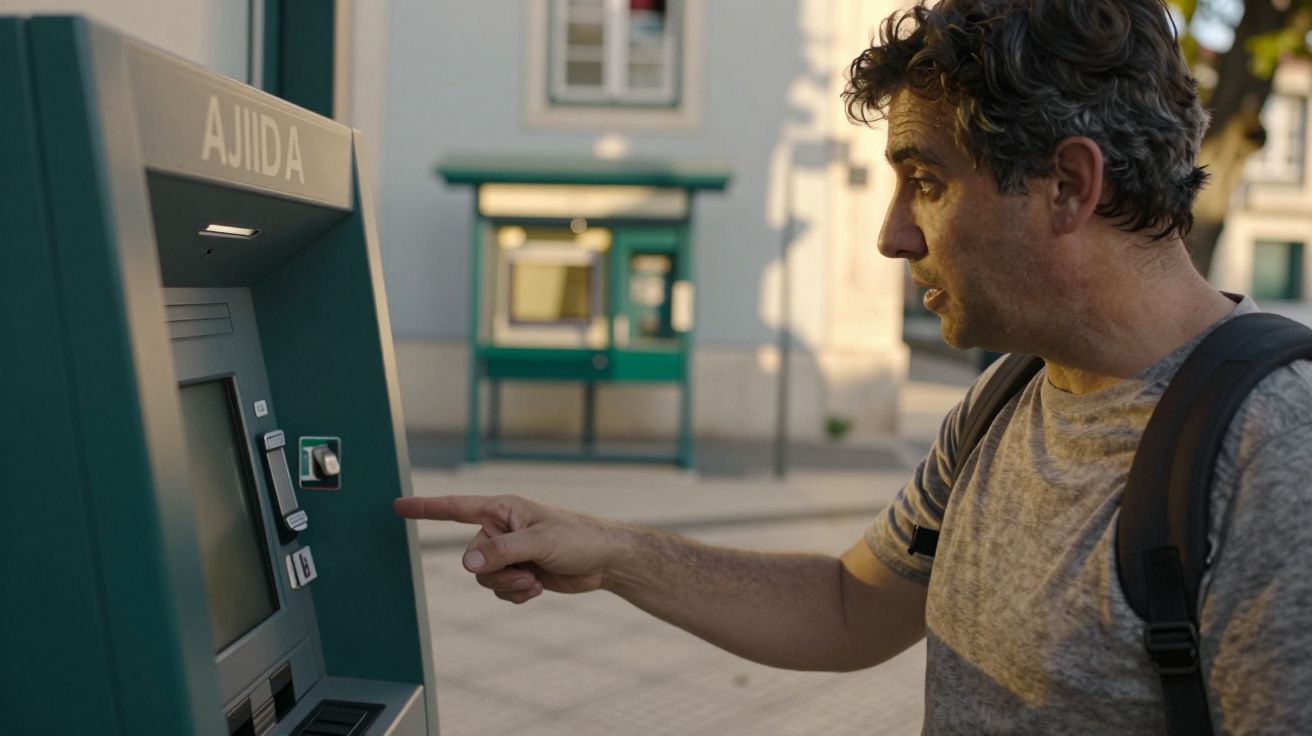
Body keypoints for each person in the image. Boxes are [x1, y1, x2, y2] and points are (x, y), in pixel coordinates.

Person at [395, 0, 1312, 732]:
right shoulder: (1006, 395)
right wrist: (616, 552)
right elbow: (846, 608)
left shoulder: (1274, 458)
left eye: (928, 180)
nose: (891, 234)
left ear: (1069, 185)